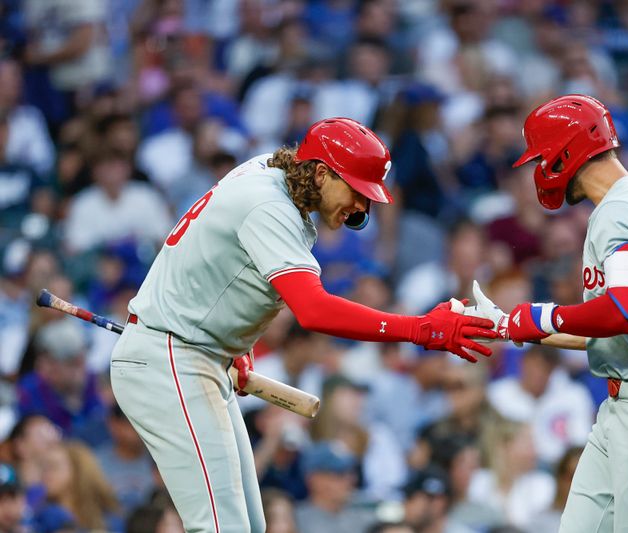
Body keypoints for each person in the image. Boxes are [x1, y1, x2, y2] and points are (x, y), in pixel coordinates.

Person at [110, 117, 497, 532]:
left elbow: (222, 267)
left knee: (251, 527)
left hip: (193, 353)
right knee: (221, 527)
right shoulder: (269, 203)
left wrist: (236, 343)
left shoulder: (275, 178)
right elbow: (314, 310)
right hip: (170, 357)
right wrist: (421, 329)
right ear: (320, 172)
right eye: (357, 191)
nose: (362, 208)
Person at [464, 95, 628, 532]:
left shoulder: (623, 207)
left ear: (566, 152)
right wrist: (509, 325)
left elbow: (626, 310)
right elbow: (608, 329)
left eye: (543, 156)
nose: (541, 168)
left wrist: (543, 317)